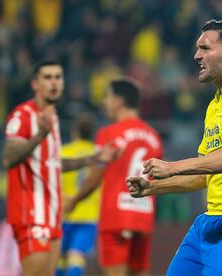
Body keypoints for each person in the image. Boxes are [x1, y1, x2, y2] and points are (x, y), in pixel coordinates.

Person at [127, 19, 222, 275]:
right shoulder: (216, 104)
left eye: (205, 48)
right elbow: (203, 176)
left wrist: (172, 167)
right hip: (211, 220)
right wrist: (153, 187)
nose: (197, 55)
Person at [2, 60, 117, 276]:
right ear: (35, 84)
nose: (54, 83)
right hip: (31, 212)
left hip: (53, 214)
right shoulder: (24, 115)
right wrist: (40, 135)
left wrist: (94, 158)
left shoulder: (52, 119)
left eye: (58, 77)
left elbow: (54, 164)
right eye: (47, 77)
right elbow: (9, 158)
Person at [65, 78, 163, 276]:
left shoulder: (108, 133)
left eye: (108, 97)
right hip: (143, 215)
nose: (105, 103)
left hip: (116, 216)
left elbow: (94, 177)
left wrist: (73, 201)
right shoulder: (154, 137)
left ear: (119, 101)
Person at [56, 113, 100, 276]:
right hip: (89, 216)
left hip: (64, 214)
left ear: (75, 131)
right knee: (77, 258)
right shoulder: (98, 153)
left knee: (59, 259)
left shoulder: (63, 152)